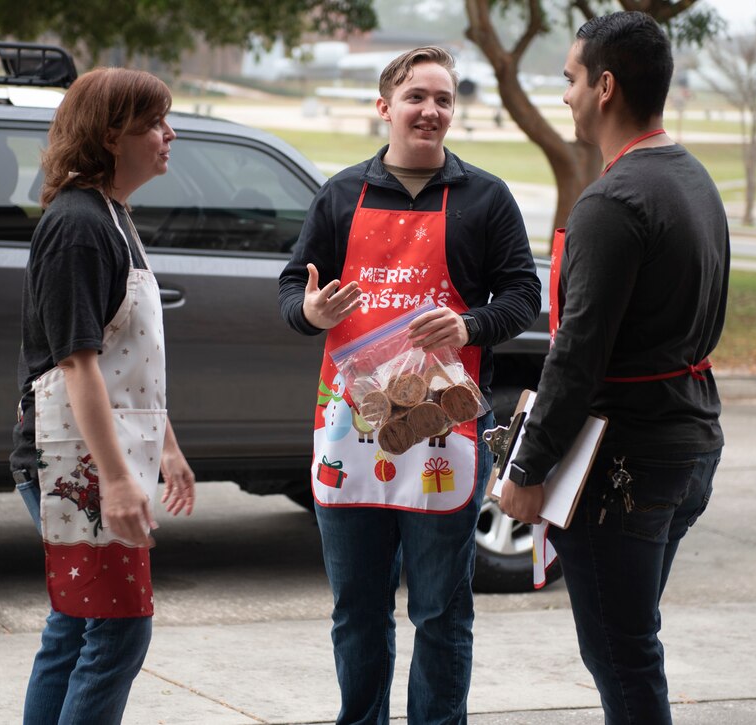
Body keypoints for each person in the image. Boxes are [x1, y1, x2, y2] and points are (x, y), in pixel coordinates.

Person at [279, 46, 541, 724]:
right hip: (348, 435)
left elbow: (521, 295)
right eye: (417, 96)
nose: (431, 110)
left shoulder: (486, 197)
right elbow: (290, 289)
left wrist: (469, 324)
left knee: (441, 610)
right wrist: (309, 311)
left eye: (444, 99)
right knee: (357, 611)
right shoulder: (341, 195)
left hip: (445, 437)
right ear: (384, 106)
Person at [499, 12, 729, 725]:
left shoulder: (611, 202)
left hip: (622, 464)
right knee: (633, 643)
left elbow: (577, 354)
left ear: (604, 86)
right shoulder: (692, 177)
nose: (563, 95)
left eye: (569, 78)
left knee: (624, 658)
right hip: (690, 445)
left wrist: (525, 471)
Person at [10, 67, 196, 725]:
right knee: (119, 628)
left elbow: (131, 355)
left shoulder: (113, 215)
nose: (168, 135)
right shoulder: (79, 225)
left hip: (104, 454)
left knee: (75, 625)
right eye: (153, 123)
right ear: (112, 135)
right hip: (74, 462)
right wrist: (115, 481)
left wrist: (167, 447)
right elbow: (77, 365)